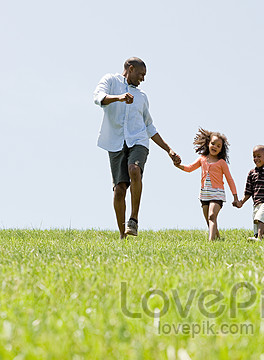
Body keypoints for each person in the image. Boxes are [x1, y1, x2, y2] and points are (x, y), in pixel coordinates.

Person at [93, 57, 181, 239]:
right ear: (130, 69)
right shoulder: (110, 80)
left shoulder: (141, 97)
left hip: (138, 141)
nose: (143, 79)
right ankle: (122, 235)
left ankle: (134, 219)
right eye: (141, 74)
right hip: (115, 142)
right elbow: (98, 98)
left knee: (134, 169)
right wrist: (119, 98)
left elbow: (149, 126)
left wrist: (168, 150)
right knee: (119, 189)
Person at [174, 128, 240, 241]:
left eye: (218, 146)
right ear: (208, 143)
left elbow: (230, 179)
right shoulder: (202, 159)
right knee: (209, 220)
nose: (215, 146)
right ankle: (218, 239)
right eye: (213, 143)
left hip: (217, 193)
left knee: (212, 216)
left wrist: (235, 197)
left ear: (221, 149)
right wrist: (178, 165)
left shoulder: (222, 163)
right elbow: (190, 168)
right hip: (204, 194)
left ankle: (210, 242)